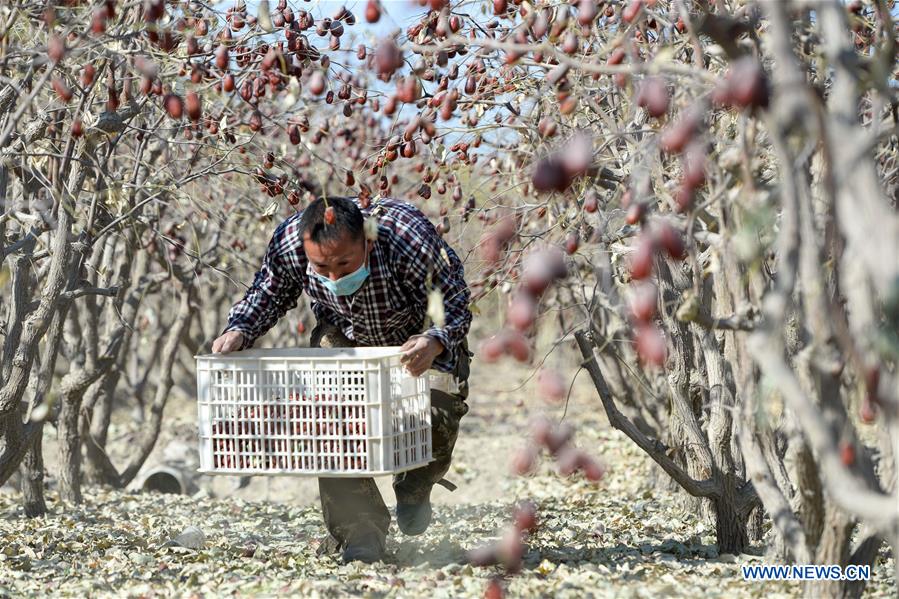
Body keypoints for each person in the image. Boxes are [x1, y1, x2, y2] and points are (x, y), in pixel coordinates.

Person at [211, 196, 473, 564]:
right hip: (345, 335)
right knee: (330, 425)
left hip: (417, 337)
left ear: (366, 240)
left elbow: (455, 302)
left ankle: (415, 485)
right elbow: (269, 292)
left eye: (345, 264)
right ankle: (360, 529)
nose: (334, 276)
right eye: (322, 267)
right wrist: (240, 330)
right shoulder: (291, 242)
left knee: (435, 427)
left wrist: (435, 340)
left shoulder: (405, 238)